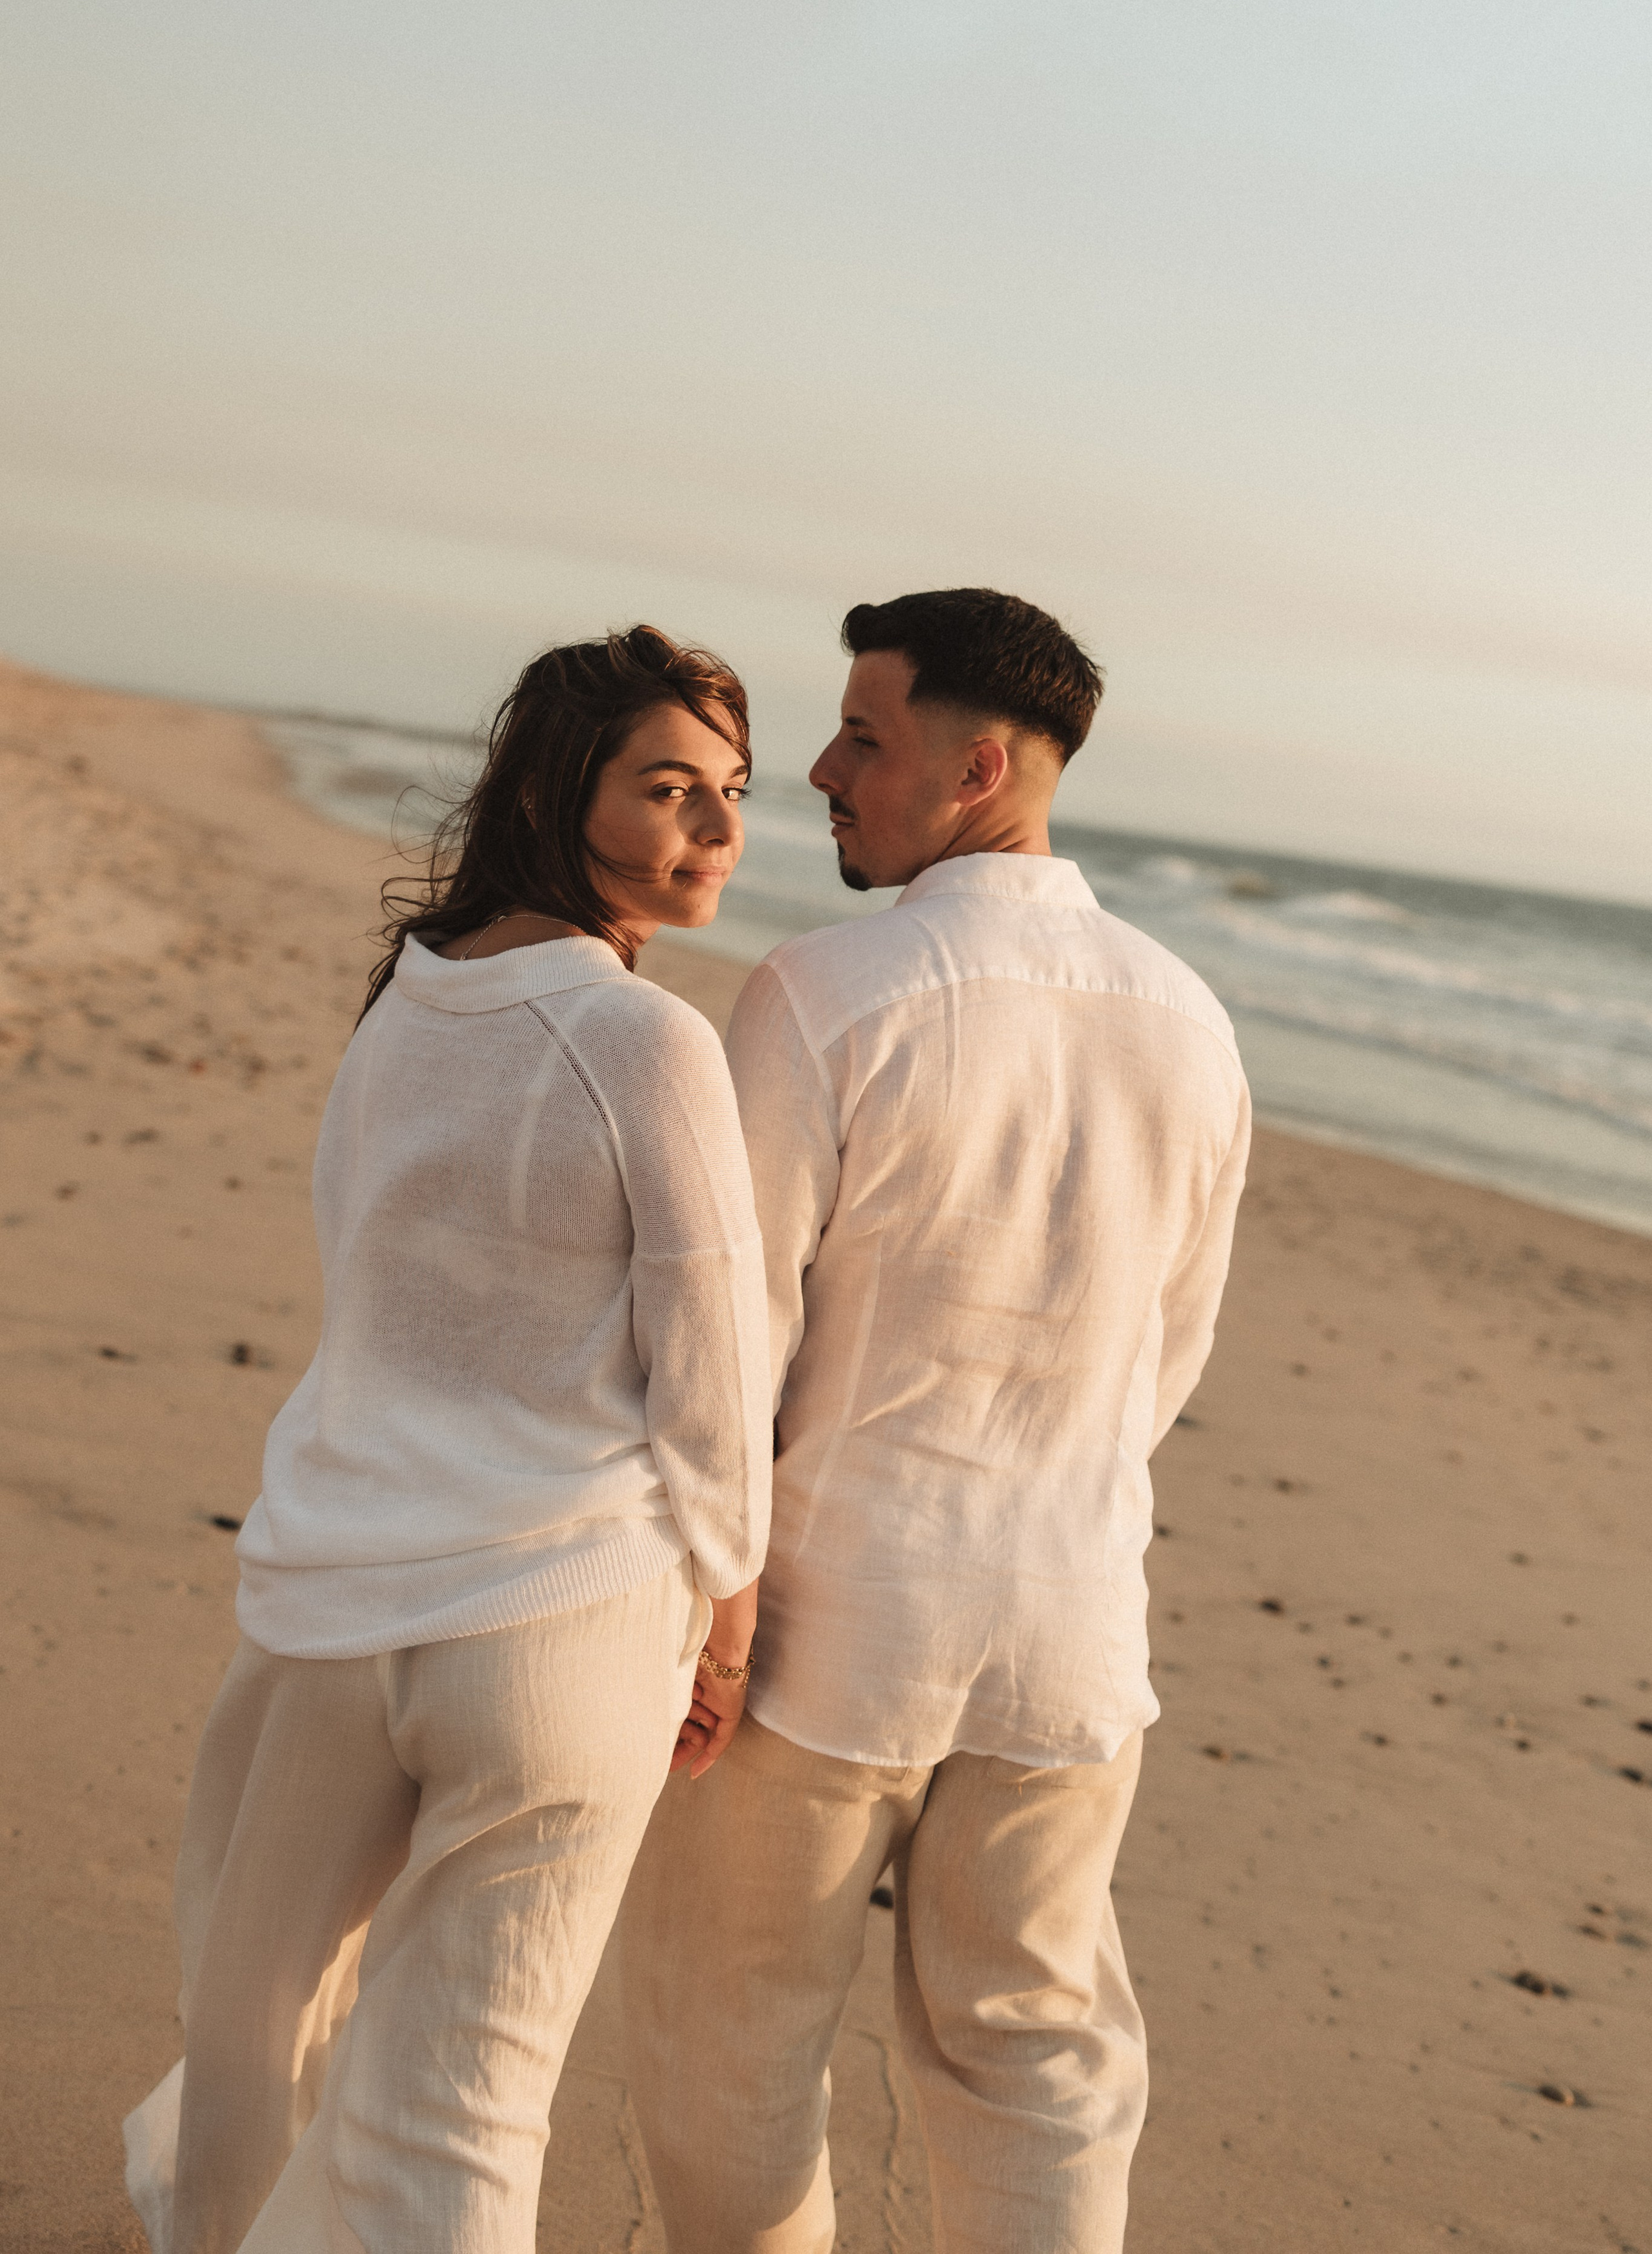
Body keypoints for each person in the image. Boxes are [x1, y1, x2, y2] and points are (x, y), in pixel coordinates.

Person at [123, 626, 772, 2254]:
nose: (710, 833)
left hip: (342, 1589)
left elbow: (368, 1282)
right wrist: (729, 1613)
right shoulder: (647, 1039)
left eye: (731, 795)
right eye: (670, 788)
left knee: (247, 2023)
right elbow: (712, 1360)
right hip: (567, 1622)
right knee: (473, 2092)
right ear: (564, 788)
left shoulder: (407, 993)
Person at [621, 589, 1251, 2253]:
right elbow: (1162, 1360)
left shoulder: (827, 989)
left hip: (820, 1632)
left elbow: (726, 1341)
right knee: (1033, 2059)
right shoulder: (1190, 1020)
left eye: (862, 736)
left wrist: (713, 1600)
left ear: (977, 768)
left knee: (728, 2039)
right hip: (1066, 1633)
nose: (819, 767)